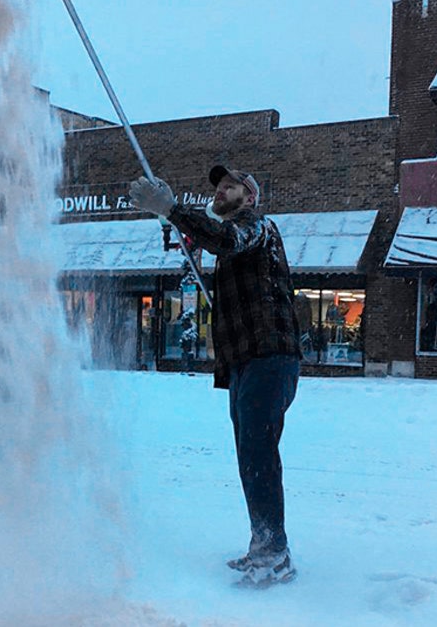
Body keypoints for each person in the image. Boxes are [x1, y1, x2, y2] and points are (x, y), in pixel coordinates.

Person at [129, 165, 302, 587]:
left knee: (259, 455)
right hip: (245, 362)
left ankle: (274, 553)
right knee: (250, 456)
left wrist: (171, 208)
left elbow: (227, 238)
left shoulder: (258, 229)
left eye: (232, 187)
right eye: (219, 187)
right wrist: (176, 220)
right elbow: (217, 240)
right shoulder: (233, 241)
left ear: (251, 197)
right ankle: (263, 543)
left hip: (269, 357)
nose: (222, 191)